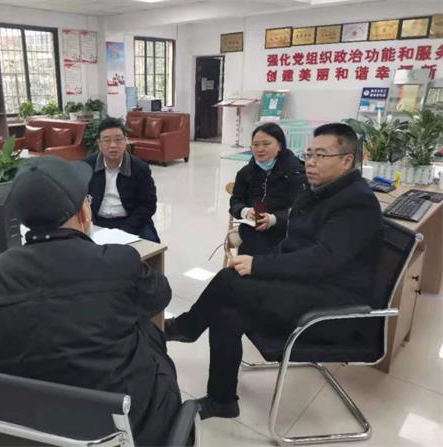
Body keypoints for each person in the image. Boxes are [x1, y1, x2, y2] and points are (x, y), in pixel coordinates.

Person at [165, 123, 383, 420]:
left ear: (347, 160)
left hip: (332, 304)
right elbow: (292, 245)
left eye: (321, 155)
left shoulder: (357, 202)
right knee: (226, 311)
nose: (311, 162)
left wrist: (259, 265)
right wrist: (261, 266)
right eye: (309, 154)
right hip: (306, 285)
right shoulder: (316, 192)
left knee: (229, 280)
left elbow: (323, 260)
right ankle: (222, 399)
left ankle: (188, 327)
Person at [0, 156, 181, 446]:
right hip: (124, 431)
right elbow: (160, 295)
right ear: (84, 211)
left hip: (31, 433)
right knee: (146, 329)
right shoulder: (117, 262)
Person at [230, 122, 306, 255]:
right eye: (255, 144)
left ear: (280, 146)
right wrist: (245, 211)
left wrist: (274, 219)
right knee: (252, 237)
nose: (260, 149)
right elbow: (235, 201)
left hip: (284, 227)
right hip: (252, 227)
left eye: (266, 144)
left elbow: (301, 209)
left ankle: (252, 265)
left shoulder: (295, 172)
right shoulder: (246, 172)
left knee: (264, 245)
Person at [84, 117, 160, 242]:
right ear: (99, 144)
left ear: (125, 141)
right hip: (97, 222)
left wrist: (125, 230)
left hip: (131, 221)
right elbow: (79, 201)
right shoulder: (87, 166)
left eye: (118, 140)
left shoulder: (140, 168)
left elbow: (149, 204)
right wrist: (92, 224)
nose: (113, 145)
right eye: (107, 140)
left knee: (150, 244)